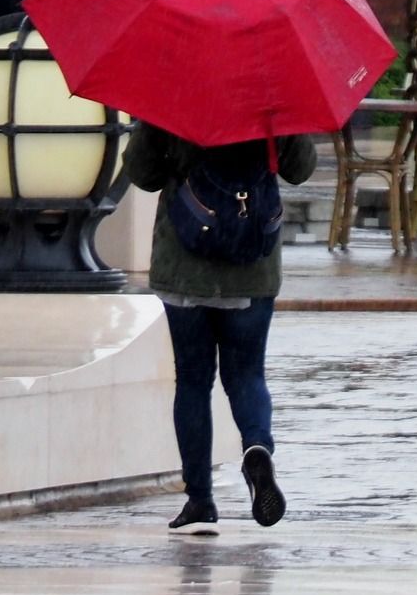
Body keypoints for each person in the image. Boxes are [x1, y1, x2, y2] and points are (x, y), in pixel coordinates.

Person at [125, 120, 316, 535]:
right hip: (252, 264)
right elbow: (301, 168)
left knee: (193, 381)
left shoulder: (172, 94)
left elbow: (142, 173)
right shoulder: (274, 95)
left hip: (184, 262)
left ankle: (199, 500)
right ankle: (256, 448)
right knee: (246, 375)